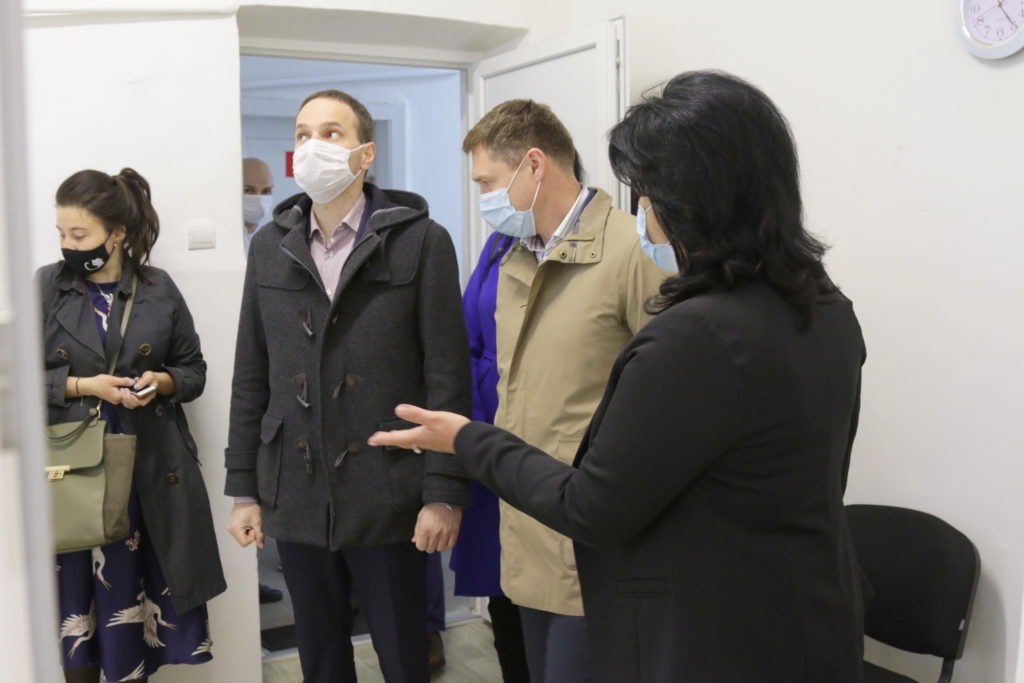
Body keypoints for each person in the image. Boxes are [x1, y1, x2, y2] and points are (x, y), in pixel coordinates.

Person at [370, 70, 868, 683]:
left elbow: (592, 507)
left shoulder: (694, 335)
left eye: (649, 197)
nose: (644, 215)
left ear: (695, 201)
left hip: (717, 629)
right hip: (808, 610)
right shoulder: (826, 308)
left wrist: (466, 438)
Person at [224, 89, 471, 683]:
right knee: (320, 656)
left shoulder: (421, 241)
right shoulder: (270, 246)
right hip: (295, 487)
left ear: (365, 154)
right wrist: (243, 489)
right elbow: (251, 373)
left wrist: (443, 493)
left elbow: (447, 376)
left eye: (331, 133)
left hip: (388, 486)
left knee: (404, 654)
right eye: (303, 134)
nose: (313, 146)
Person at [458, 99, 666, 683]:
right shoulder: (516, 255)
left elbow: (670, 402)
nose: (484, 198)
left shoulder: (633, 251)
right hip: (528, 527)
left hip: (595, 539)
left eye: (488, 183)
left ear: (534, 164)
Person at [39, 168, 226, 683]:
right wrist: (85, 385)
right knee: (77, 618)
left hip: (149, 473)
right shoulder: (47, 287)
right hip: (77, 479)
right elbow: (18, 380)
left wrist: (160, 381)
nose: (68, 246)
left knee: (138, 618)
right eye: (61, 234)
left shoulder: (158, 288)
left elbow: (194, 370)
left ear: (117, 233)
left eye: (79, 235)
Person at [450, 229, 530, 682]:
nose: (489, 197)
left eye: (491, 189)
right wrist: (476, 434)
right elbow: (465, 341)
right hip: (491, 444)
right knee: (502, 585)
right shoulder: (501, 241)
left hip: (550, 442)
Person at [242, 157, 274, 255]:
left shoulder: (275, 238)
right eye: (248, 190)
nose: (259, 199)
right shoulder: (218, 236)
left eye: (266, 191)